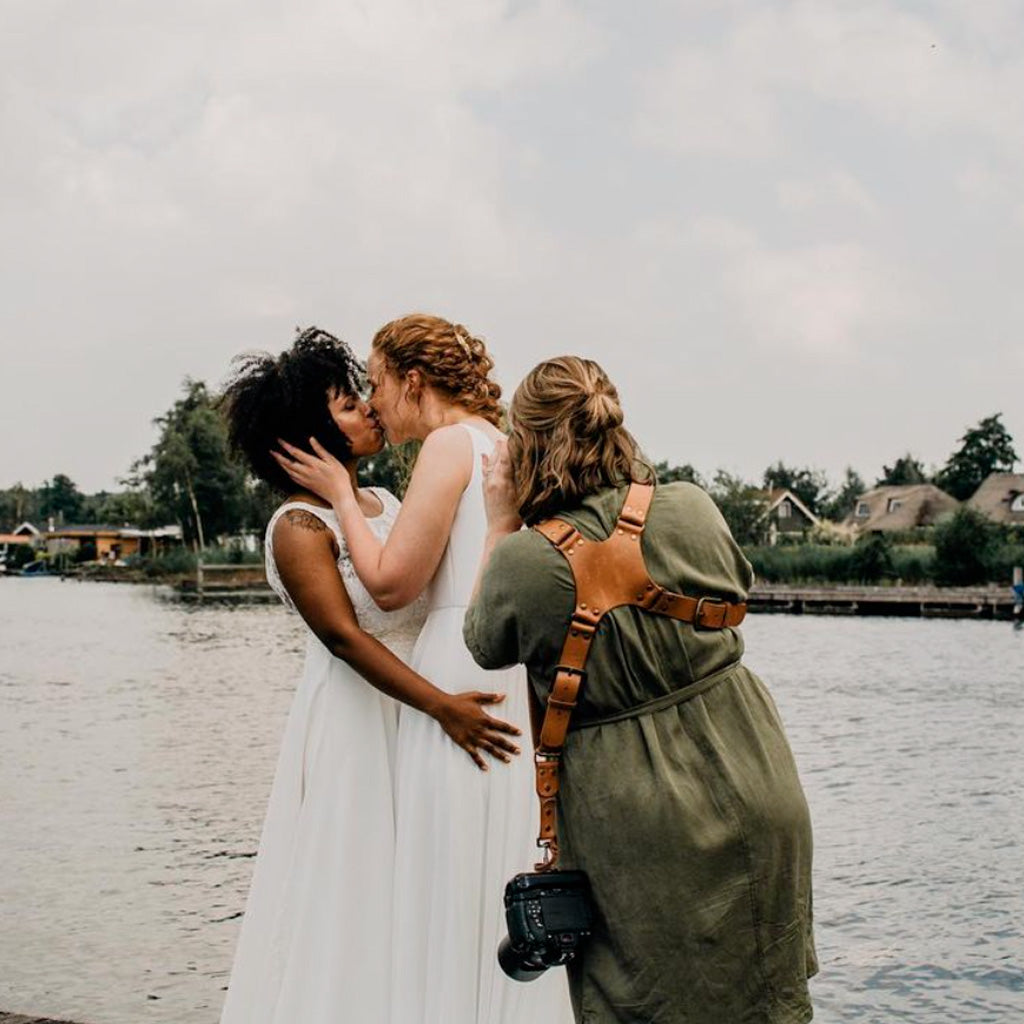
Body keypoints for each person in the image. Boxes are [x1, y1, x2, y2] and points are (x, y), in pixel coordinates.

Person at [463, 356, 817, 1024]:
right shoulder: (692, 506)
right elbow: (737, 584)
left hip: (635, 808)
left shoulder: (525, 559)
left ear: (528, 445)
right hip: (753, 770)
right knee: (763, 996)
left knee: (646, 999)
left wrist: (498, 522)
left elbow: (483, 641)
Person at [273, 315, 573, 1024]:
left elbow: (389, 586)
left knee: (443, 874)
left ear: (413, 380)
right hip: (506, 674)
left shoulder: (447, 445)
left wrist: (342, 497)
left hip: (457, 666)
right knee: (489, 861)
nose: (372, 404)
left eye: (375, 385)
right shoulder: (505, 444)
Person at [217, 327, 521, 1024]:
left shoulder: (384, 498)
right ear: (310, 435)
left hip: (420, 713)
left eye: (362, 395)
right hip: (359, 724)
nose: (367, 409)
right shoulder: (297, 526)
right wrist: (443, 705)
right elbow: (346, 639)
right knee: (351, 885)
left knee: (414, 891)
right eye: (346, 404)